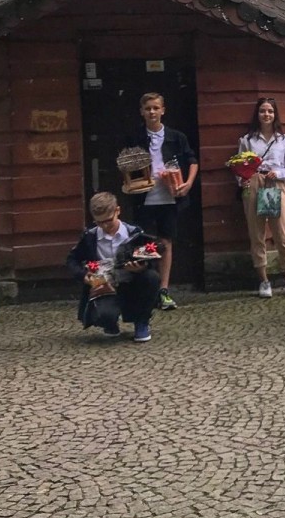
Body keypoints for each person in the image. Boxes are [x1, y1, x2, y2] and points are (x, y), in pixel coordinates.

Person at [122, 92, 198, 310]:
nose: (152, 112)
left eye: (156, 108)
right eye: (148, 108)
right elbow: (125, 165)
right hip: (143, 197)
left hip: (169, 197)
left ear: (163, 110)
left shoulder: (176, 137)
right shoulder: (134, 137)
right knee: (144, 243)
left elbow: (192, 161)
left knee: (165, 243)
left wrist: (188, 183)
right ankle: (147, 289)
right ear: (141, 112)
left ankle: (163, 290)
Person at [67, 192, 162, 342]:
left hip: (132, 283)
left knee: (151, 278)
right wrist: (83, 276)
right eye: (99, 222)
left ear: (118, 211)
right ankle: (109, 322)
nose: (105, 226)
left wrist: (141, 267)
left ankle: (141, 322)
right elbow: (72, 260)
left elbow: (151, 260)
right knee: (104, 314)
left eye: (109, 221)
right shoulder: (90, 237)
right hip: (103, 285)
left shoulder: (134, 233)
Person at [237, 97, 285, 299]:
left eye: (270, 111)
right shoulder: (247, 140)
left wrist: (279, 173)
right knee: (256, 233)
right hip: (254, 183)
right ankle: (264, 281)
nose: (266, 114)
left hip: (274, 184)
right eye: (263, 111)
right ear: (258, 114)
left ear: (275, 114)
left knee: (282, 233)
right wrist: (243, 180)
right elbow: (239, 167)